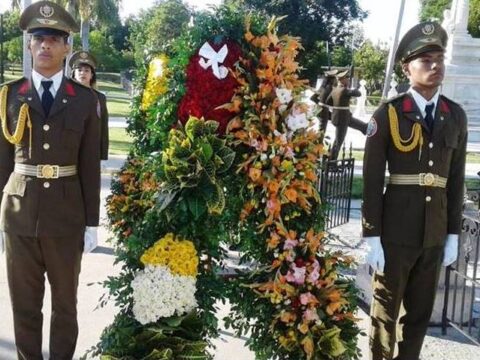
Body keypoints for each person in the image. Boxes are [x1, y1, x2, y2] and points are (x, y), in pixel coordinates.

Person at [0, 1, 101, 359]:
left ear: (66, 47)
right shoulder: (10, 95)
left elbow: (90, 165)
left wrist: (92, 223)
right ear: (28, 45)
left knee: (65, 307)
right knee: (25, 308)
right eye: (39, 38)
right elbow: (2, 162)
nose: (45, 45)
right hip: (19, 215)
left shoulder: (85, 101)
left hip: (65, 217)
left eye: (54, 39)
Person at [362, 21, 467, 360]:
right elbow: (372, 178)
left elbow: (455, 179)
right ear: (408, 68)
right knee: (385, 316)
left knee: (419, 317)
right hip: (394, 234)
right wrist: (372, 236)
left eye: (439, 58)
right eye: (426, 60)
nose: (436, 66)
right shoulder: (389, 113)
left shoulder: (455, 115)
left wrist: (452, 234)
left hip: (433, 235)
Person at [69, 50, 109, 160]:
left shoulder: (99, 98)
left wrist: (102, 153)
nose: (83, 73)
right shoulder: (64, 96)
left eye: (87, 71)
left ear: (91, 75)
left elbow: (103, 127)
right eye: (79, 70)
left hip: (90, 149)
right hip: (68, 149)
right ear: (73, 74)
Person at [326, 69, 368, 160]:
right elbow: (358, 93)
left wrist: (337, 108)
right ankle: (332, 162)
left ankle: (367, 129)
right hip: (342, 120)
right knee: (338, 141)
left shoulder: (335, 90)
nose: (348, 80)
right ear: (342, 80)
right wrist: (350, 87)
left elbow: (328, 102)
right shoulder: (344, 90)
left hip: (344, 118)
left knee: (363, 126)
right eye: (347, 78)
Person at [310, 69, 338, 141]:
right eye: (335, 78)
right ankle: (318, 146)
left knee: (321, 129)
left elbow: (312, 98)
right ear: (332, 80)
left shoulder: (323, 87)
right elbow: (332, 102)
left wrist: (320, 103)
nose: (336, 80)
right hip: (324, 110)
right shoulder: (330, 88)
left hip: (320, 109)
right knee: (322, 131)